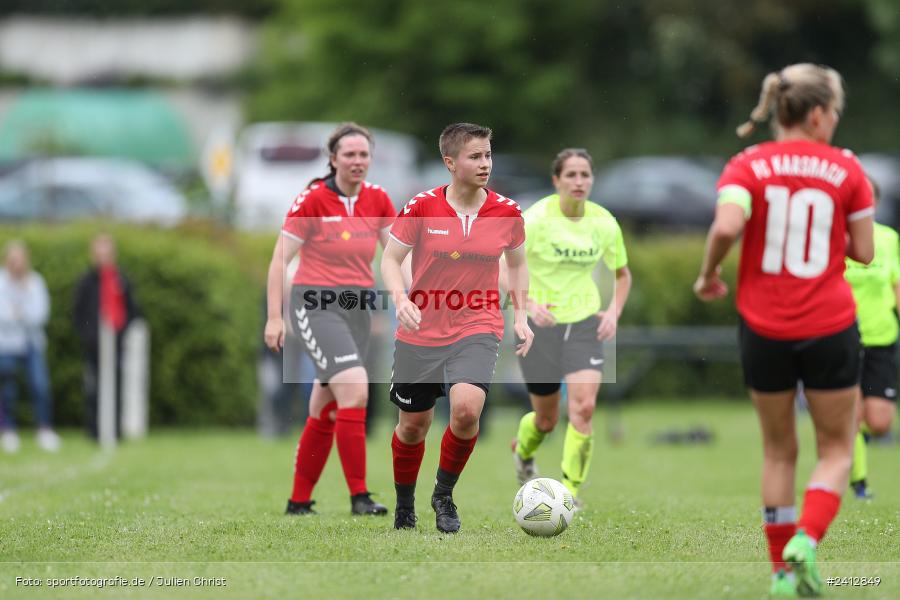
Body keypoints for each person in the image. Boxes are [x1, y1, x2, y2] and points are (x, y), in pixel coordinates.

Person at [694, 63, 874, 597]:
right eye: (835, 112)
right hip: (830, 323)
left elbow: (727, 225)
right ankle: (808, 543)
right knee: (838, 448)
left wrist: (708, 274)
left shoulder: (747, 163)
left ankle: (779, 574)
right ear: (817, 114)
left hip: (764, 326)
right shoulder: (846, 168)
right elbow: (864, 251)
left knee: (778, 451)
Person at [381, 122, 534, 533]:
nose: (485, 163)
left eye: (487, 155)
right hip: (421, 329)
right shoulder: (422, 207)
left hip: (478, 324)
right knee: (413, 427)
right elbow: (391, 260)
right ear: (450, 163)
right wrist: (400, 300)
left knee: (466, 412)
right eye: (475, 156)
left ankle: (443, 494)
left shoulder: (507, 212)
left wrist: (519, 316)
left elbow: (518, 268)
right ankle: (404, 504)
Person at [264, 122, 395, 517]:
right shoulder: (313, 200)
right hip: (315, 307)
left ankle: (299, 501)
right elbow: (279, 260)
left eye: (363, 154)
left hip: (357, 311)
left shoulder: (378, 199)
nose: (358, 161)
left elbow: (395, 256)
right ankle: (360, 496)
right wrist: (274, 318)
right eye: (349, 154)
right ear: (333, 159)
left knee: (324, 408)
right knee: (355, 390)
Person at [509, 148, 632, 507]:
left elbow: (622, 275)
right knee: (546, 420)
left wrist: (613, 312)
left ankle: (570, 493)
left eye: (585, 175)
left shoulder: (604, 222)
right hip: (540, 327)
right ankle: (524, 452)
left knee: (583, 409)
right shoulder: (535, 219)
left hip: (584, 325)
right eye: (571, 175)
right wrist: (529, 304)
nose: (579, 182)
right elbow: (504, 268)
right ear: (556, 180)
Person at [845, 176, 900, 499]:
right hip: (844, 337)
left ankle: (852, 440)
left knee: (878, 421)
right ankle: (859, 483)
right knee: (851, 412)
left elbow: (896, 284)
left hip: (881, 337)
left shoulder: (889, 239)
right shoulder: (837, 237)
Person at [73, 234, 140, 441]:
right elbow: (78, 312)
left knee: (116, 385)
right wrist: (88, 333)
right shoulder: (86, 282)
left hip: (116, 342)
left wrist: (121, 332)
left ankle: (115, 430)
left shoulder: (121, 279)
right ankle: (94, 430)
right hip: (93, 343)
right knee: (94, 386)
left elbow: (132, 310)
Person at [0, 241, 60, 453]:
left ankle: (44, 429)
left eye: (20, 260)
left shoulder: (35, 282)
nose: (17, 265)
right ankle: (7, 431)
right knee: (7, 389)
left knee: (40, 386)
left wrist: (19, 313)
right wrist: (19, 315)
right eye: (13, 260)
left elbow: (40, 314)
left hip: (32, 344)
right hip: (6, 345)